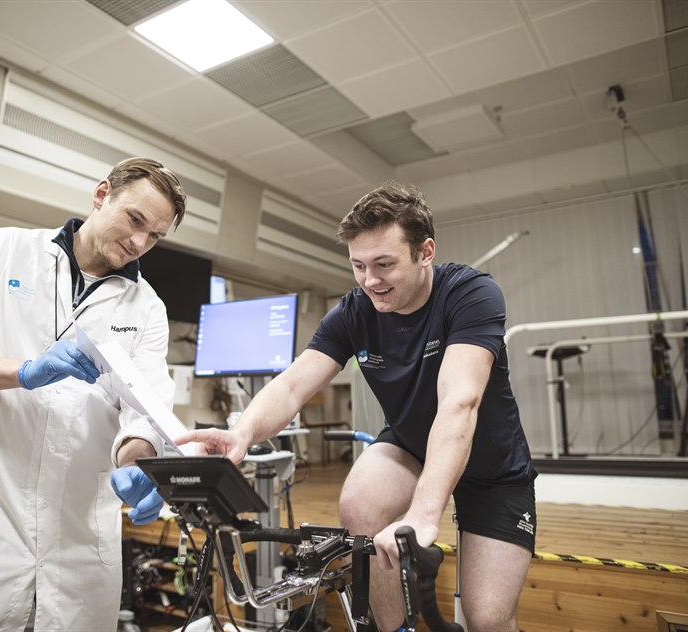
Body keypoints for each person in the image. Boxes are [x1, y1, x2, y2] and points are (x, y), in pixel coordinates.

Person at [174, 182, 537, 632]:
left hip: (491, 469)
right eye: (359, 266)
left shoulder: (470, 294)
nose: (370, 281)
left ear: (425, 252)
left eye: (384, 264)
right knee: (360, 501)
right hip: (410, 445)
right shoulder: (354, 310)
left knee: (488, 620)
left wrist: (425, 514)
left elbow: (459, 402)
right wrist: (243, 433)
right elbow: (291, 386)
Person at [0, 157, 188, 631]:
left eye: (155, 235)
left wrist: (138, 461)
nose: (140, 242)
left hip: (79, 539)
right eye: (135, 220)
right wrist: (24, 371)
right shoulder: (6, 251)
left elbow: (144, 411)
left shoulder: (148, 308)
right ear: (102, 195)